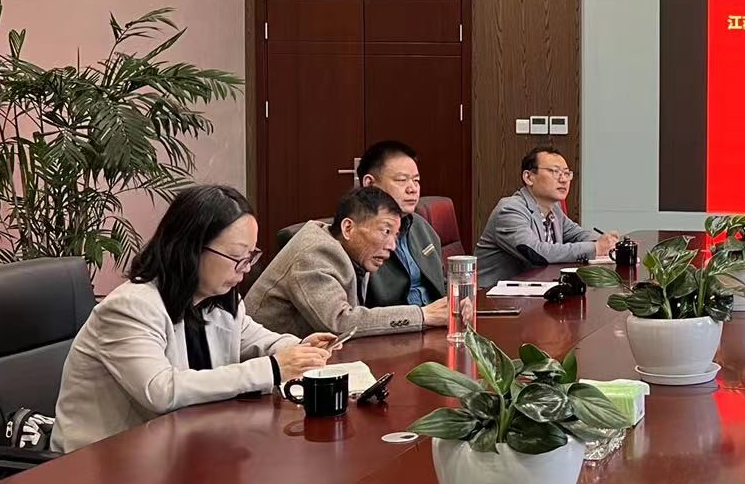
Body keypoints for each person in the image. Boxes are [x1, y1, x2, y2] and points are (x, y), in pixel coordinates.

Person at [53, 184, 332, 453]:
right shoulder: (130, 308)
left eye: (250, 256)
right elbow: (160, 390)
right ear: (191, 248)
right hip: (104, 461)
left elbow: (256, 339)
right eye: (237, 256)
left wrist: (300, 348)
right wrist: (272, 368)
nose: (245, 268)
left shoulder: (216, 299)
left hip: (181, 447)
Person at [245, 187, 451, 337]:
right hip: (267, 366)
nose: (392, 245)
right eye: (386, 231)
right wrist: (422, 315)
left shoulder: (355, 253)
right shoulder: (314, 253)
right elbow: (339, 322)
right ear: (348, 228)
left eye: (395, 235)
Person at [476, 149, 618, 282]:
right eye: (555, 172)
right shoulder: (510, 210)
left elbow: (577, 234)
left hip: (535, 288)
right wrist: (595, 248)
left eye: (567, 173)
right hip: (491, 296)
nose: (564, 179)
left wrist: (608, 243)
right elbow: (537, 253)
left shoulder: (554, 208)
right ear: (528, 177)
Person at [357, 139, 446, 308]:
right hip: (398, 322)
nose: (412, 189)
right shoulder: (357, 236)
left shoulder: (421, 225)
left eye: (416, 181)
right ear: (369, 183)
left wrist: (459, 302)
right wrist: (422, 317)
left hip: (438, 320)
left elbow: (441, 283)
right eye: (401, 180)